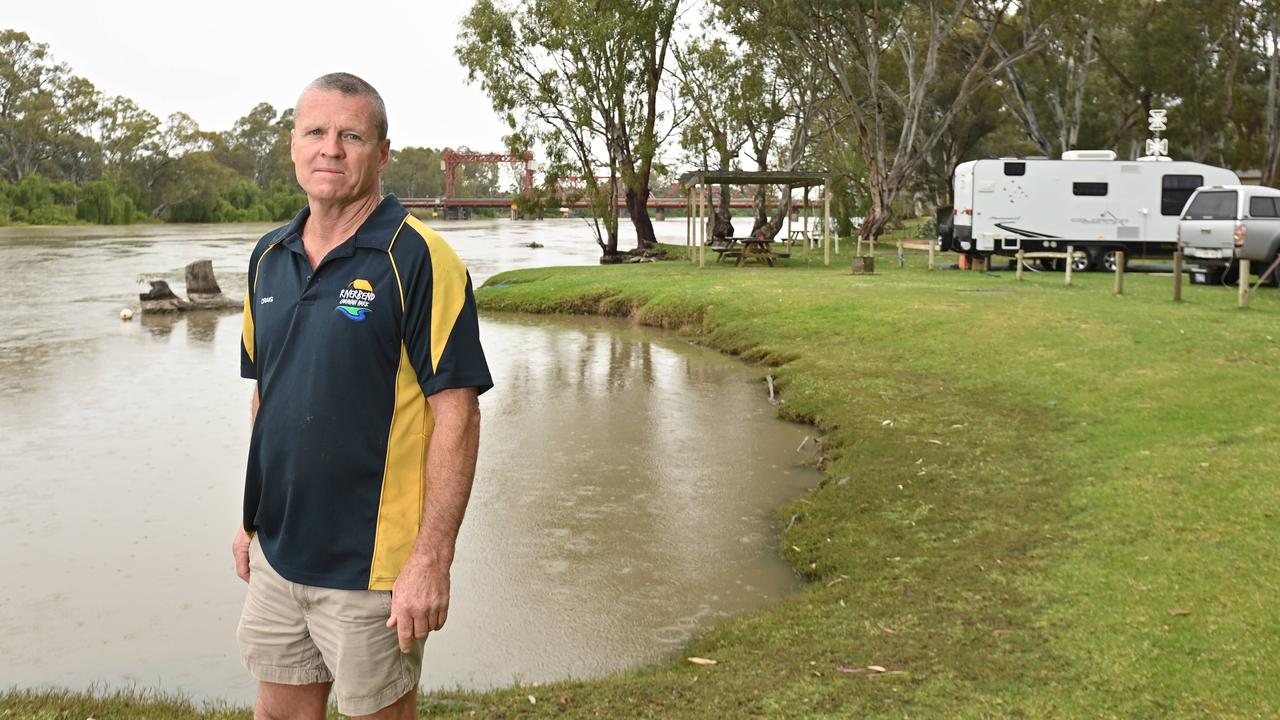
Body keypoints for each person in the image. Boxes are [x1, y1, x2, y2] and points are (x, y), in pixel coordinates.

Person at [233, 72, 492, 719]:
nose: (331, 149)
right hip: (280, 555)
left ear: (382, 152)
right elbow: (268, 398)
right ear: (293, 145)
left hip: (375, 568)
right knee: (278, 713)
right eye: (315, 132)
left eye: (351, 135)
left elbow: (457, 414)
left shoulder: (421, 260)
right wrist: (249, 518)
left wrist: (432, 559)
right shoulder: (269, 257)